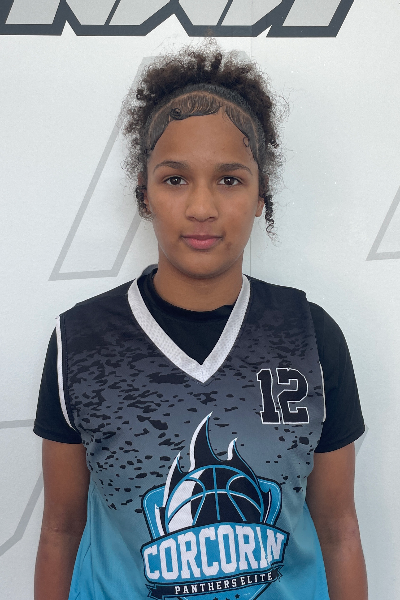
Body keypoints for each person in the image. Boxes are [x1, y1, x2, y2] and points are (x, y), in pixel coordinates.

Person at [33, 44, 368, 600]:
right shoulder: (81, 342)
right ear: (144, 192)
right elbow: (60, 531)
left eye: (230, 180)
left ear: (261, 194)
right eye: (175, 179)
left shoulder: (311, 337)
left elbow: (339, 531)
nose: (202, 207)